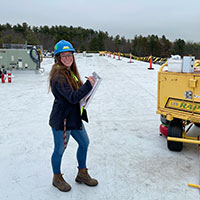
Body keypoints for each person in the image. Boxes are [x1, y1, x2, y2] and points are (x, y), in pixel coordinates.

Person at [49, 40, 98, 192]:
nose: (67, 58)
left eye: (69, 55)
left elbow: (77, 93)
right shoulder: (58, 76)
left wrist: (87, 91)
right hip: (62, 120)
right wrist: (88, 85)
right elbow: (72, 97)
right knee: (59, 150)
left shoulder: (70, 72)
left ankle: (82, 173)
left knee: (84, 143)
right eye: (63, 56)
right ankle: (57, 177)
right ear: (58, 58)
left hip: (74, 117)